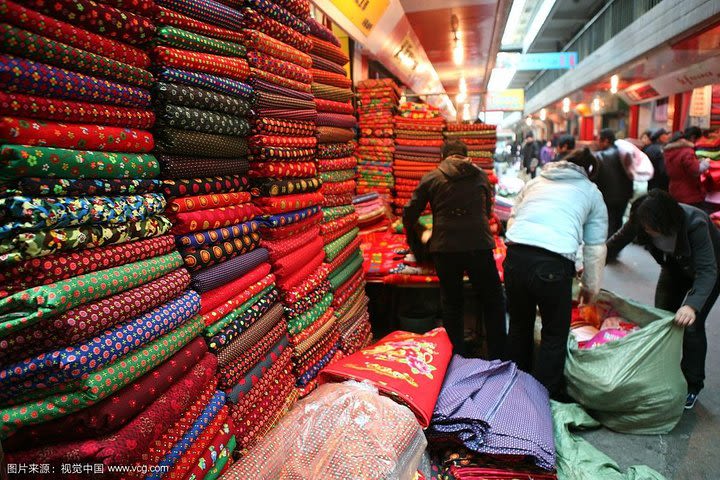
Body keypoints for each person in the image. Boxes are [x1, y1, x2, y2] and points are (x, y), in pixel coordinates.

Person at [504, 148, 608, 399]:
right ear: (589, 171)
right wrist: (590, 288)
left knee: (519, 325)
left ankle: (513, 390)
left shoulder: (536, 182)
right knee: (554, 333)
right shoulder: (591, 192)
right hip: (552, 265)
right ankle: (542, 397)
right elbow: (595, 248)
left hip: (515, 257)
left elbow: (513, 219)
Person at [607, 190, 720, 409]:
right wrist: (592, 263)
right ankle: (661, 374)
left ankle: (692, 385)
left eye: (651, 227)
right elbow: (615, 242)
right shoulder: (641, 219)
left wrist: (691, 306)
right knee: (661, 320)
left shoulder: (695, 223)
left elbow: (708, 270)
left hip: (710, 273)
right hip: (674, 269)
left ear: (667, 220)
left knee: (691, 325)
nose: (647, 230)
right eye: (644, 226)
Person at [403, 140, 506, 359]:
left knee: (452, 302)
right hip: (479, 245)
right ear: (466, 155)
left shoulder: (432, 177)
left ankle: (455, 358)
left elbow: (410, 213)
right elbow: (487, 211)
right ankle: (498, 355)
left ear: (443, 156)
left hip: (445, 247)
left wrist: (418, 231)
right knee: (493, 300)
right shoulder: (480, 176)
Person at [594, 128, 634, 239]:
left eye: (599, 140)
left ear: (606, 140)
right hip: (625, 195)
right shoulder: (624, 153)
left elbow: (596, 177)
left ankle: (609, 249)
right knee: (618, 220)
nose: (598, 143)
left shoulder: (600, 156)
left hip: (608, 195)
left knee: (609, 221)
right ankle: (615, 247)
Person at [664, 129, 710, 210]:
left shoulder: (669, 152)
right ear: (692, 138)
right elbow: (696, 170)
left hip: (674, 190)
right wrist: (705, 162)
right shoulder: (687, 151)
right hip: (689, 192)